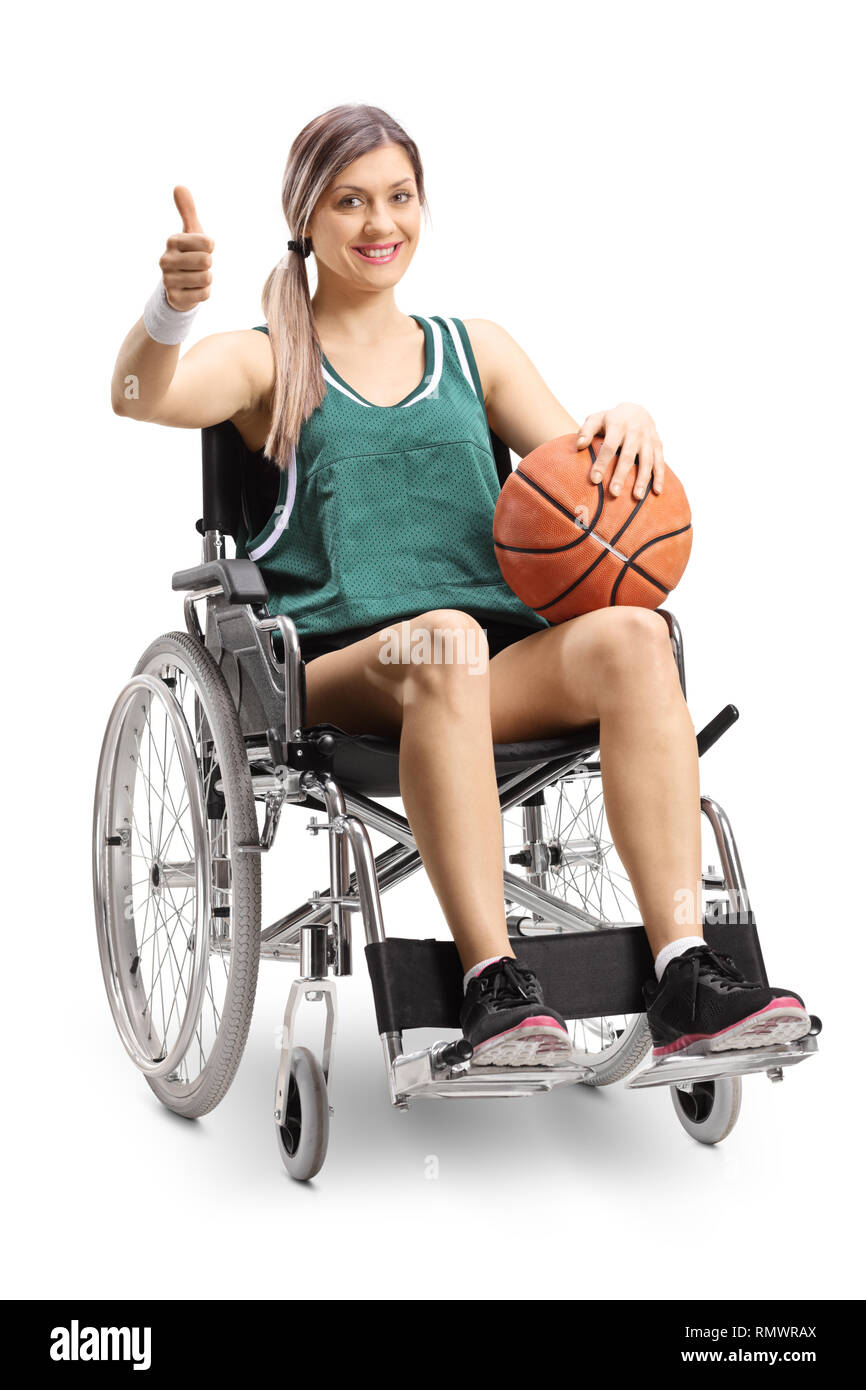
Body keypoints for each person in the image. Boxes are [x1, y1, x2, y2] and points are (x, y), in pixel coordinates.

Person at [111, 102, 810, 1068]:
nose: (378, 223)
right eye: (350, 202)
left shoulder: (475, 349)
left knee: (637, 635)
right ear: (306, 217)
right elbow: (139, 396)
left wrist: (635, 418)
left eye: (399, 197)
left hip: (487, 662)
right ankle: (494, 984)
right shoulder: (271, 358)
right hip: (340, 670)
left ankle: (688, 971)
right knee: (445, 639)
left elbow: (584, 493)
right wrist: (171, 307)